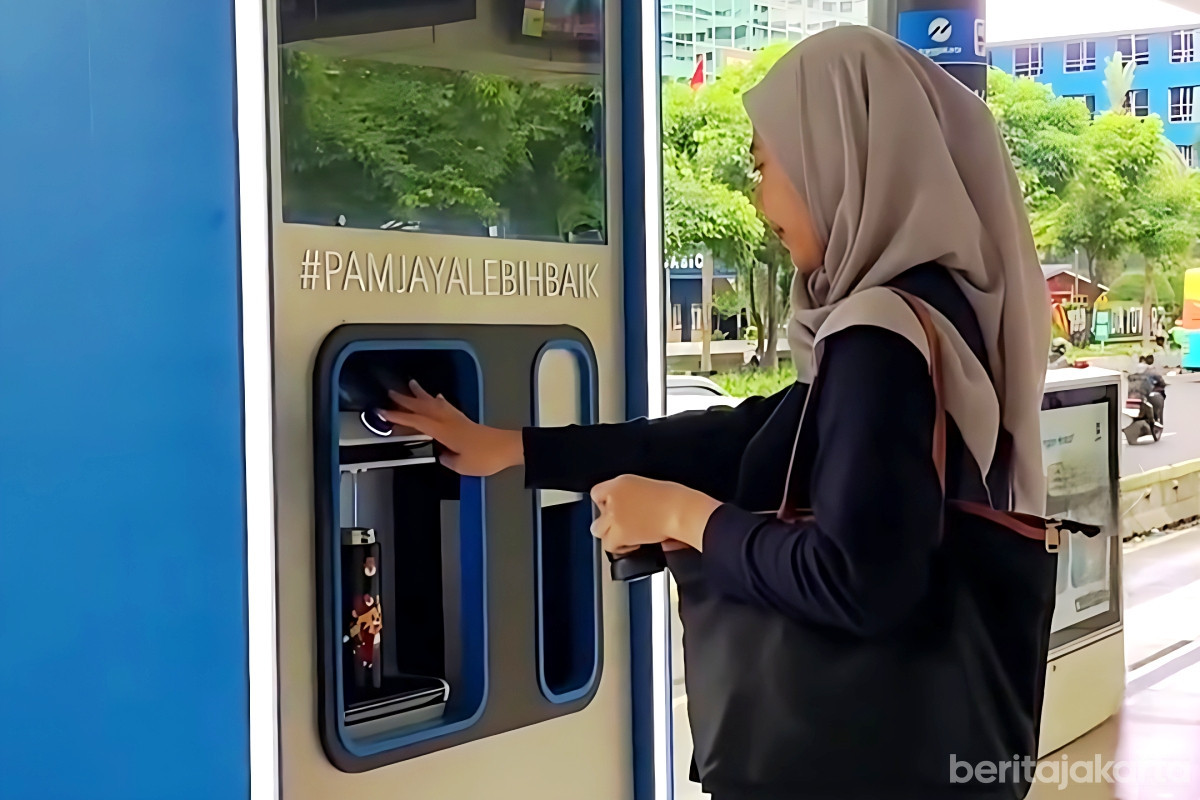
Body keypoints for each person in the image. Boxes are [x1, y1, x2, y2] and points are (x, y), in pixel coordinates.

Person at [382, 28, 1051, 800]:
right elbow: (747, 438)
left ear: (838, 154)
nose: (761, 201)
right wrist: (516, 448)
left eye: (765, 165)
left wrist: (681, 516)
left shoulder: (878, 335)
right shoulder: (941, 313)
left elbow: (859, 582)